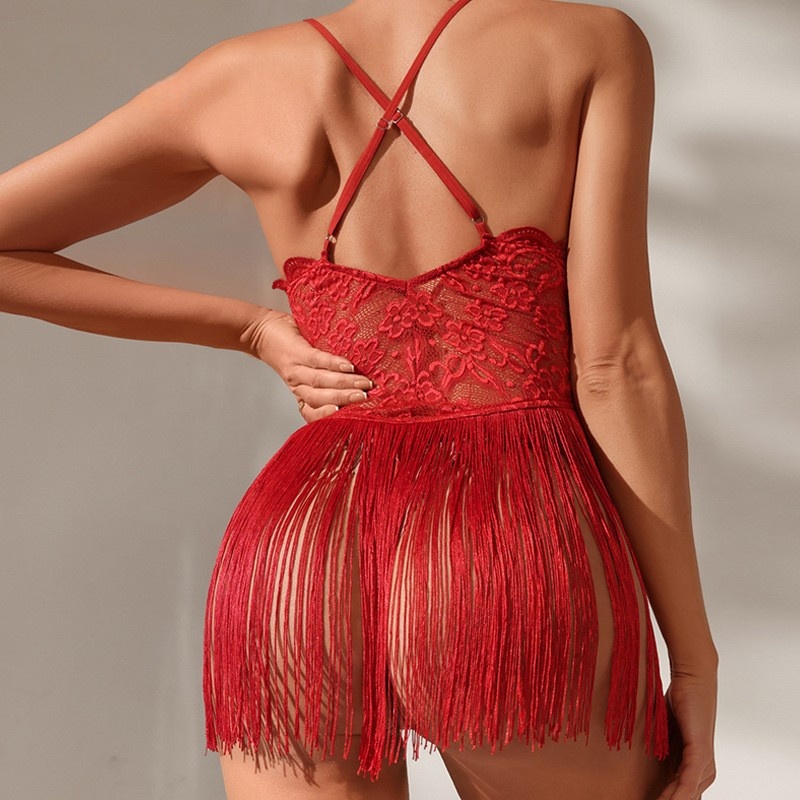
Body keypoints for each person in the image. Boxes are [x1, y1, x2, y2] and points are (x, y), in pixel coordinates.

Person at [0, 1, 718, 798]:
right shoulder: (587, 42)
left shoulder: (232, 78)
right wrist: (693, 660)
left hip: (301, 555)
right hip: (504, 544)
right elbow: (615, 366)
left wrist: (250, 329)